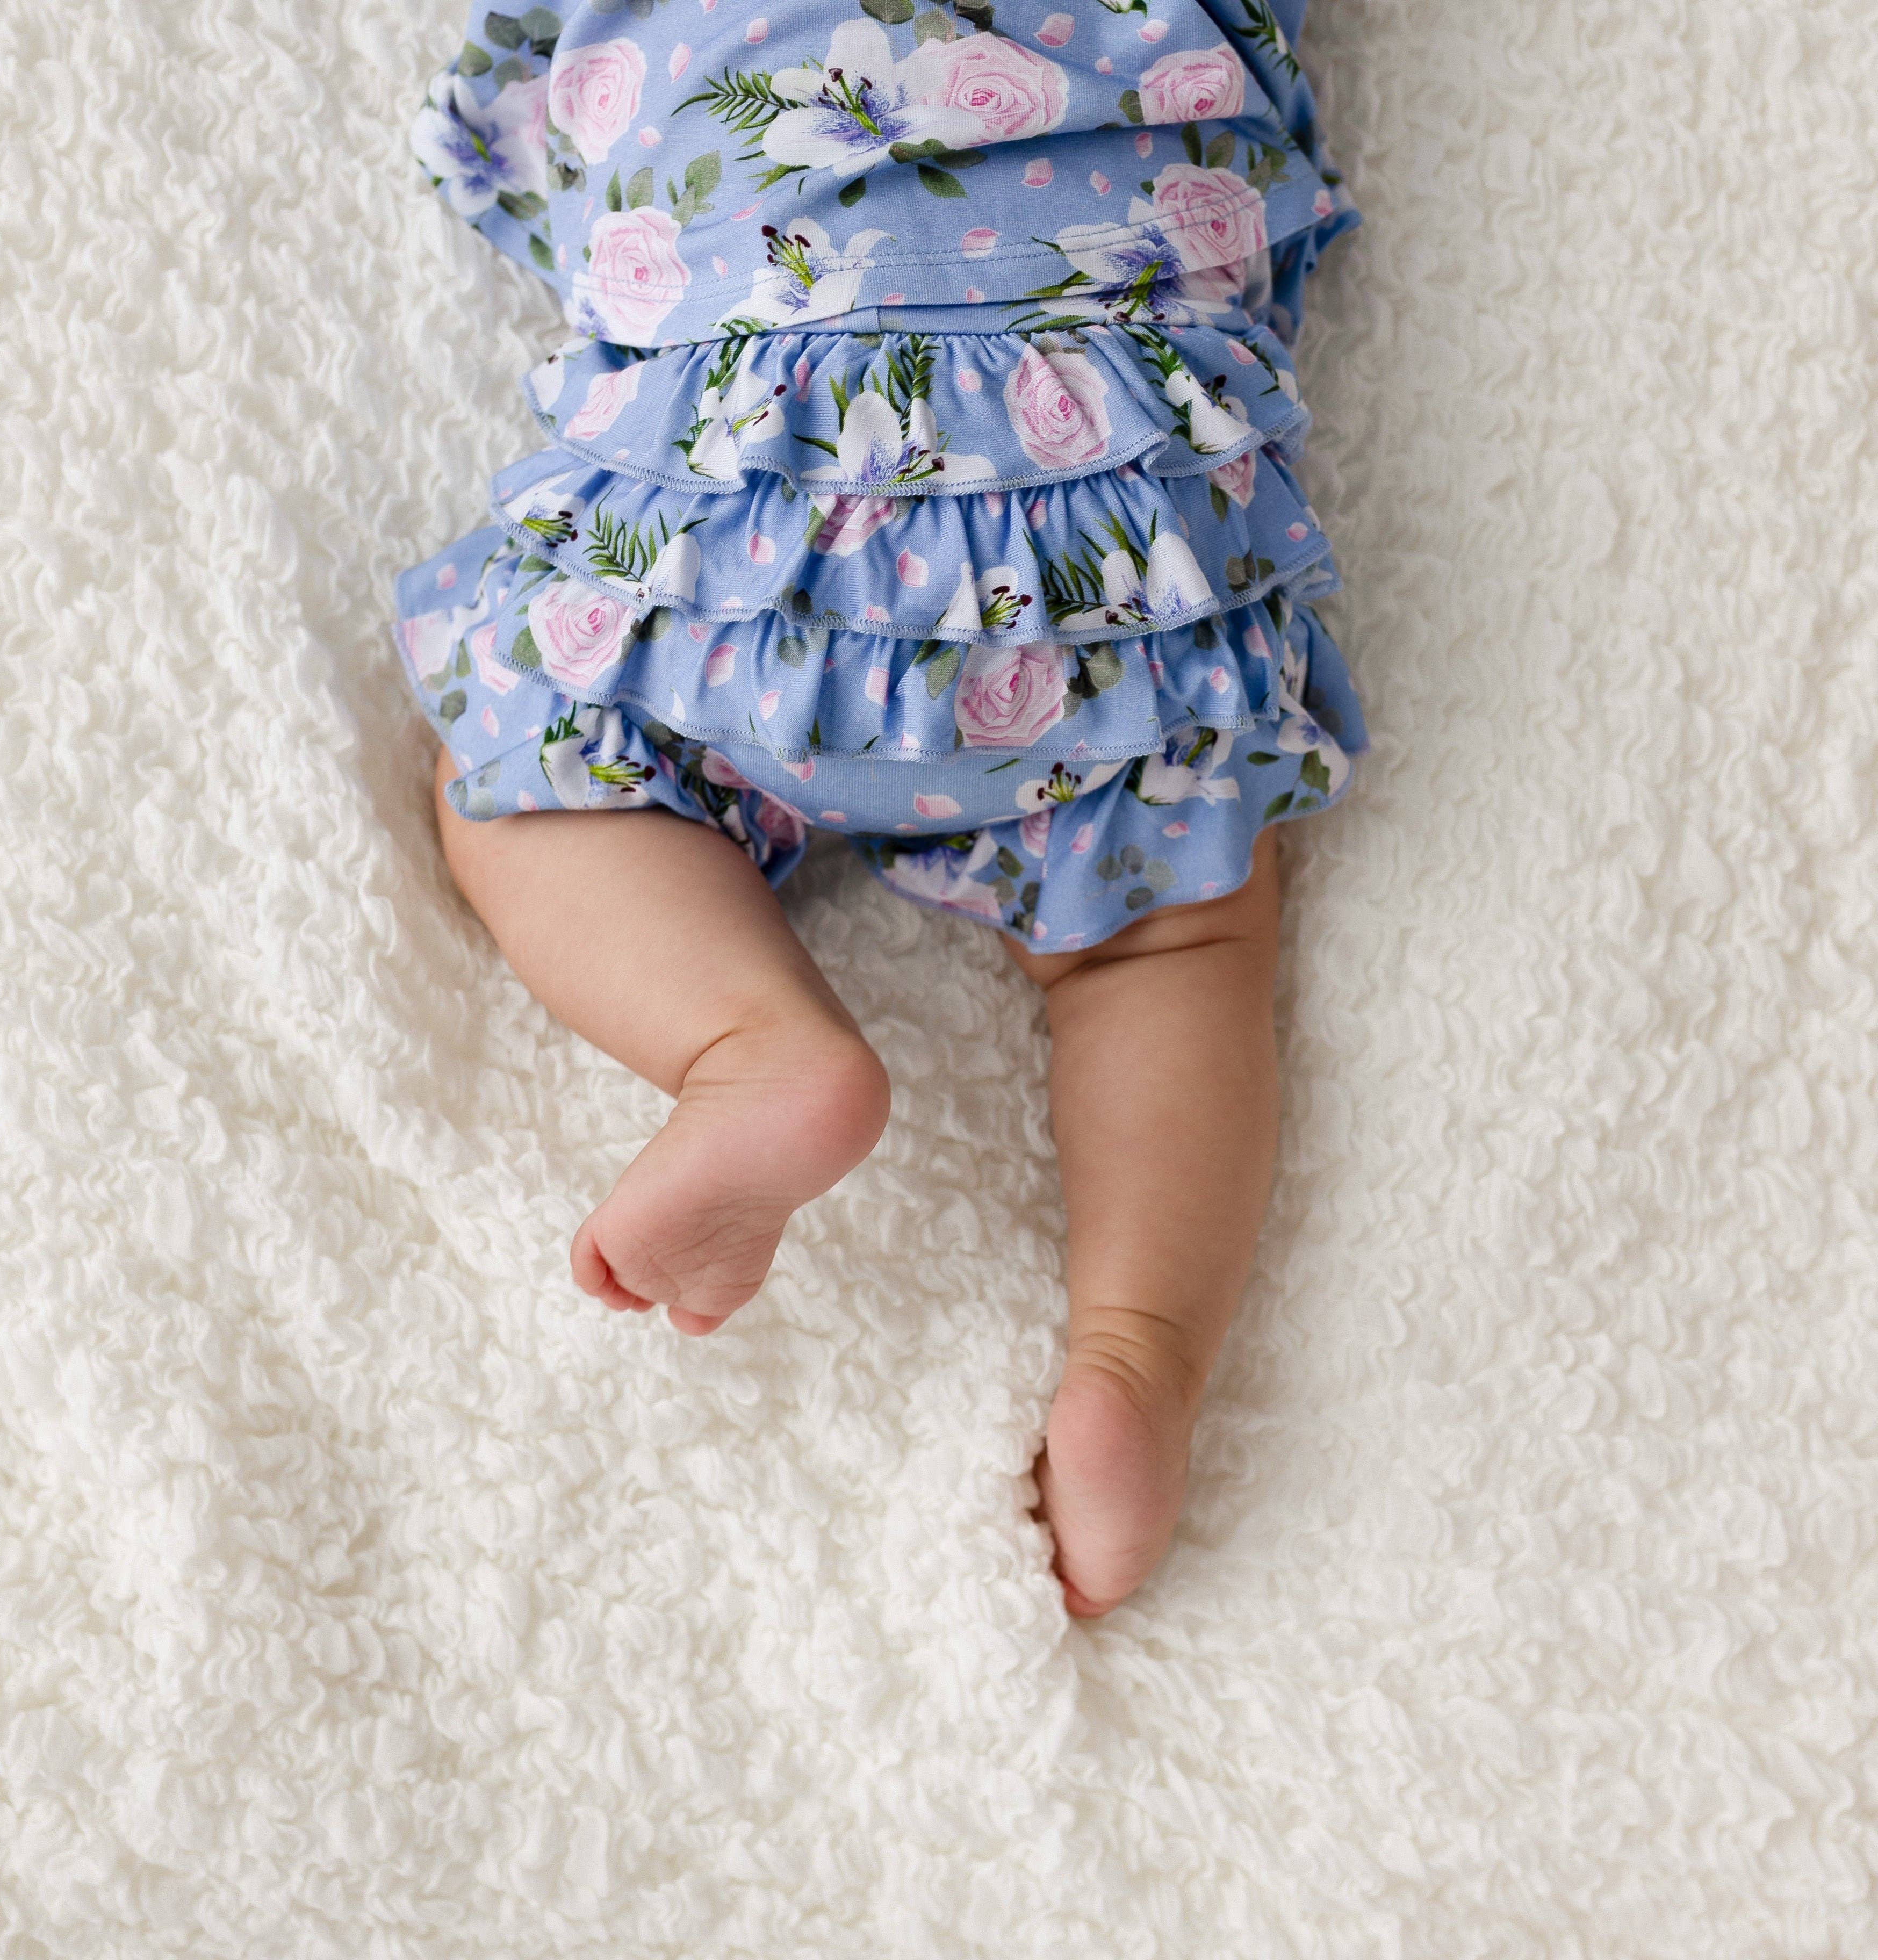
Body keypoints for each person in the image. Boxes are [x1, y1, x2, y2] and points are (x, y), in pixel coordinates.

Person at [395, 0, 1362, 1615]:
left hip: (742, 525)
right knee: (1172, 944)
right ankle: (1139, 1350)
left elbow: (529, 170)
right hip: (1107, 548)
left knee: (518, 775)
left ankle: (750, 1042)